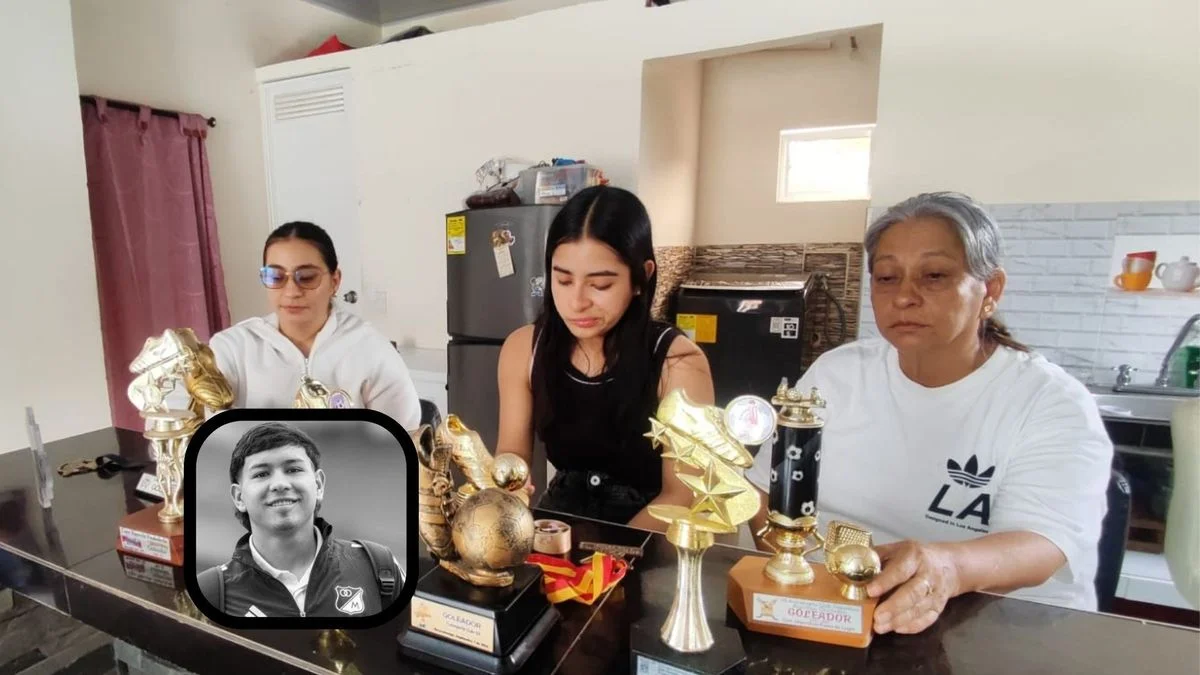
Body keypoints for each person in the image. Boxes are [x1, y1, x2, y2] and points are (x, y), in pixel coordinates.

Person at [746, 192, 1114, 634]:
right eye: (887, 278)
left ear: (991, 290)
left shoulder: (1050, 401)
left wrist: (947, 567)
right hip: (839, 619)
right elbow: (764, 491)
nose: (905, 297)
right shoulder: (837, 374)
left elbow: (1042, 544)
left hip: (997, 632)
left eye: (934, 276)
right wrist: (796, 582)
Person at [495, 185, 715, 531]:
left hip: (650, 532)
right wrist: (507, 490)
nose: (577, 302)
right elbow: (512, 454)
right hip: (559, 523)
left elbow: (681, 495)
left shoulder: (678, 364)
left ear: (641, 278)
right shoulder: (524, 348)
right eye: (563, 280)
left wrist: (609, 556)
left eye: (600, 285)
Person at [207, 221, 421, 429]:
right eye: (276, 277)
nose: (291, 292)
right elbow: (217, 439)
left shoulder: (370, 349)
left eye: (307, 277)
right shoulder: (232, 348)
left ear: (335, 281)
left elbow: (401, 437)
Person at [196, 422, 404, 618]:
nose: (279, 484)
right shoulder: (210, 592)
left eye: (293, 470)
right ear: (239, 497)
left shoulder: (377, 565)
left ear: (318, 485)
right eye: (261, 474)